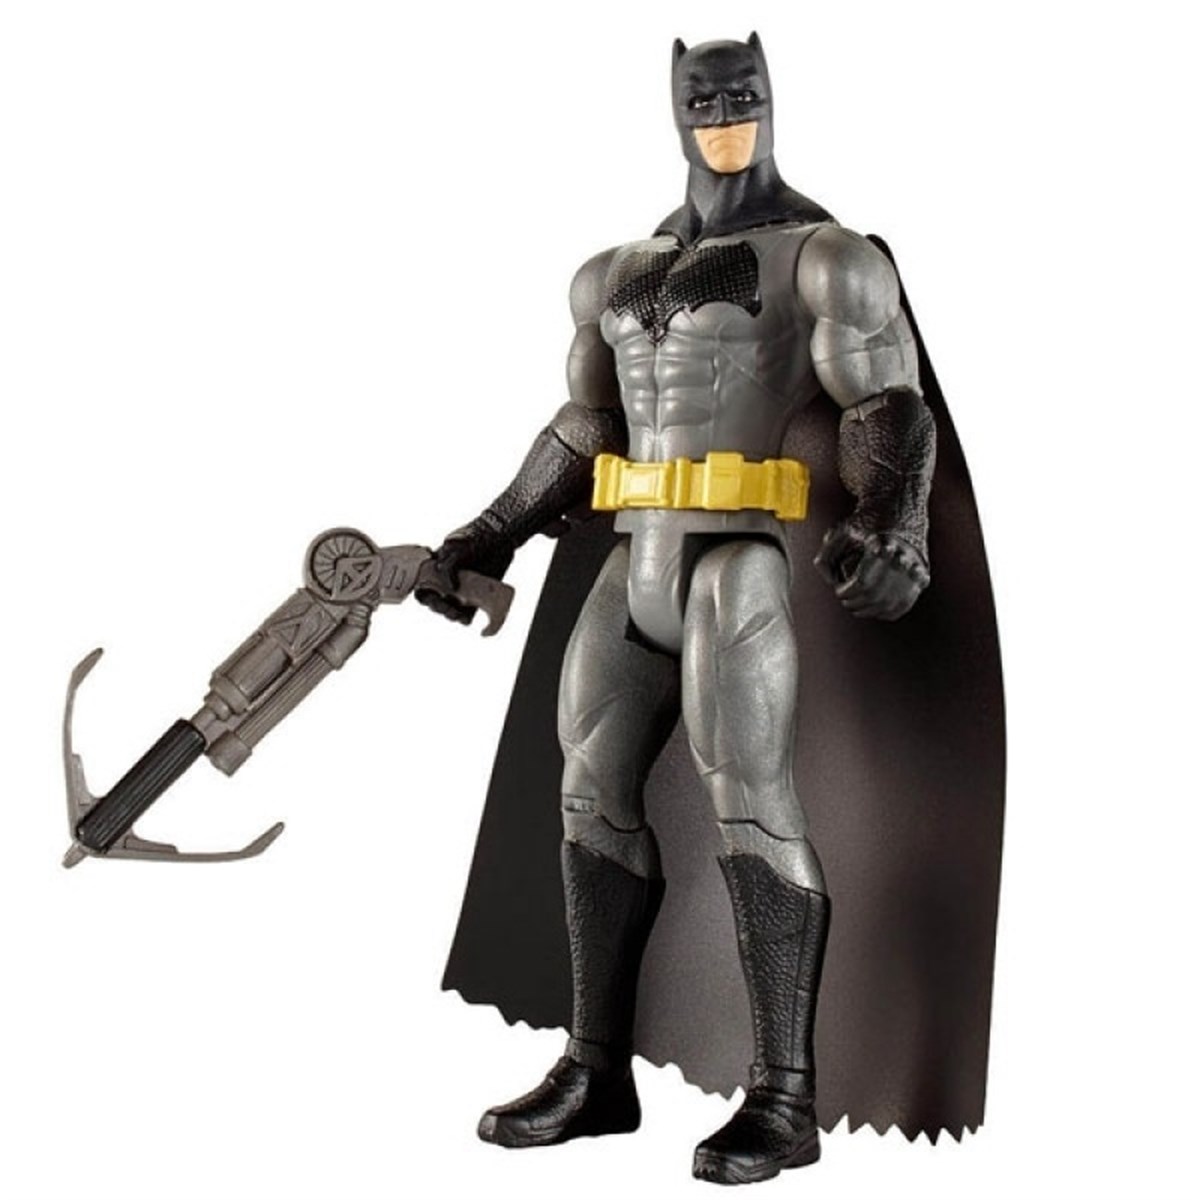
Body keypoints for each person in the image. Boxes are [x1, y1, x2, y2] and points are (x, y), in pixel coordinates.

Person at [419, 33, 936, 1186]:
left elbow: (887, 402)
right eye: (703, 97)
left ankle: (785, 1098)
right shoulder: (611, 274)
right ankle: (596, 1070)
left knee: (751, 801)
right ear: (673, 107)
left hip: (733, 556)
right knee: (586, 794)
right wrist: (489, 531)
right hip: (632, 559)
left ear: (772, 95)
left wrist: (894, 522)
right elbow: (584, 428)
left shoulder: (826, 258)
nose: (724, 111)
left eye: (742, 92)